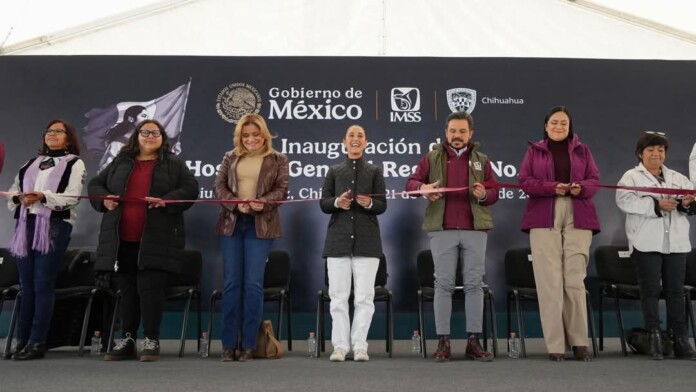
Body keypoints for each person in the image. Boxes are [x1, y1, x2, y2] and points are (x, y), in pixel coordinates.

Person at [88, 119, 198, 362]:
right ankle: (127, 339)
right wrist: (104, 198)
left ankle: (151, 339)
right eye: (145, 132)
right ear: (136, 136)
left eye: (155, 133)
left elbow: (191, 189)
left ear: (162, 138)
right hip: (122, 239)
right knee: (126, 291)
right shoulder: (120, 162)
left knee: (150, 290)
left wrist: (167, 200)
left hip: (157, 239)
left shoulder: (174, 164)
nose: (150, 136)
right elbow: (95, 184)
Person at [405, 111, 498, 362]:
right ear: (446, 133)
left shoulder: (481, 159)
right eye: (453, 131)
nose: (457, 136)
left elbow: (494, 192)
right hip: (442, 229)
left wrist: (483, 195)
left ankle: (473, 341)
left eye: (462, 131)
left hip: (475, 230)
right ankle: (443, 342)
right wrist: (423, 188)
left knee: (474, 285)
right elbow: (411, 183)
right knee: (443, 285)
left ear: (471, 134)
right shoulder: (432, 157)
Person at [518, 106, 600, 362]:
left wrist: (580, 188)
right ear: (546, 125)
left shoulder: (583, 150)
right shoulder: (534, 150)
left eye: (563, 123)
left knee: (574, 280)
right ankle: (555, 345)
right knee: (549, 282)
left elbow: (594, 180)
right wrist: (554, 187)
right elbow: (525, 181)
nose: (558, 127)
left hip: (579, 215)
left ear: (569, 126)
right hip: (544, 216)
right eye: (554, 122)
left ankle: (579, 342)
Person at [5, 120, 85, 360]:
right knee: (26, 285)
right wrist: (21, 199)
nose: (52, 135)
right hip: (25, 226)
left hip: (54, 226)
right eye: (49, 131)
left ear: (68, 138)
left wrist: (42, 196)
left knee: (42, 283)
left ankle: (38, 341)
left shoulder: (74, 163)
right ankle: (22, 341)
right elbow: (12, 193)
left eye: (58, 131)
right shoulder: (30, 163)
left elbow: (72, 196)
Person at [214, 113, 289, 362]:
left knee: (253, 285)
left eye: (255, 135)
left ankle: (248, 344)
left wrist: (262, 203)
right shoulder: (229, 157)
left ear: (264, 135)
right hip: (232, 224)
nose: (251, 139)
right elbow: (220, 187)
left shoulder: (277, 159)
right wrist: (237, 205)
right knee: (232, 283)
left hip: (261, 226)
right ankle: (228, 345)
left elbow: (281, 190)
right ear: (239, 137)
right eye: (246, 135)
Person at [616, 131, 696, 360]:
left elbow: (690, 203)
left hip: (677, 244)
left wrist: (685, 204)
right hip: (646, 242)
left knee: (676, 292)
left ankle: (680, 339)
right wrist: (656, 205)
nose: (656, 154)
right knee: (650, 292)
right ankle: (654, 337)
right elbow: (624, 200)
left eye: (660, 150)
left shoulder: (678, 178)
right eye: (650, 150)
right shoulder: (631, 177)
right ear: (640, 153)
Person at [320, 125, 387, 362]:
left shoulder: (375, 171)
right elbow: (324, 203)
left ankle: (360, 346)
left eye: (360, 136)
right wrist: (338, 202)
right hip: (337, 241)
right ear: (344, 142)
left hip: (367, 243)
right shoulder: (334, 171)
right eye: (351, 136)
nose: (355, 139)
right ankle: (340, 346)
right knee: (338, 297)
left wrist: (369, 203)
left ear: (366, 142)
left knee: (364, 298)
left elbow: (382, 205)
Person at [98, 105, 149, 171]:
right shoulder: (118, 143)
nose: (148, 120)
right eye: (144, 116)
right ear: (131, 119)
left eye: (148, 117)